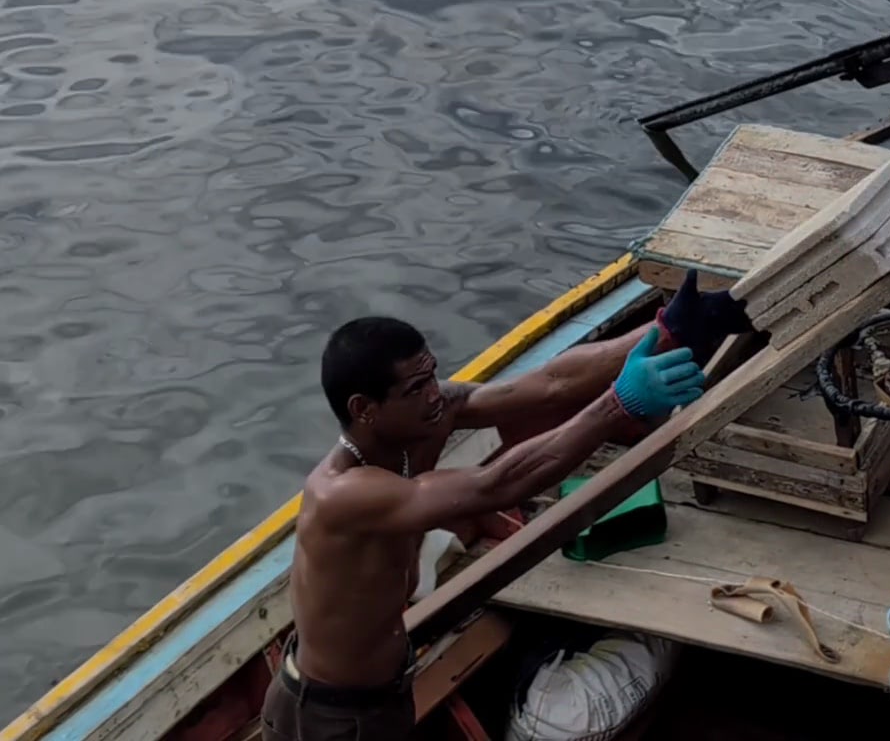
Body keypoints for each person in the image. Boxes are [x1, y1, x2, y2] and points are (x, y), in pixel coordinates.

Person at [264, 273, 749, 741]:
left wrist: (666, 330)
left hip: (385, 688)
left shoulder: (425, 416)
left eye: (431, 374)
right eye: (415, 389)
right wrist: (616, 406)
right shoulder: (341, 493)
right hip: (329, 716)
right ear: (362, 409)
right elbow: (497, 484)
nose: (435, 394)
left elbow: (551, 382)